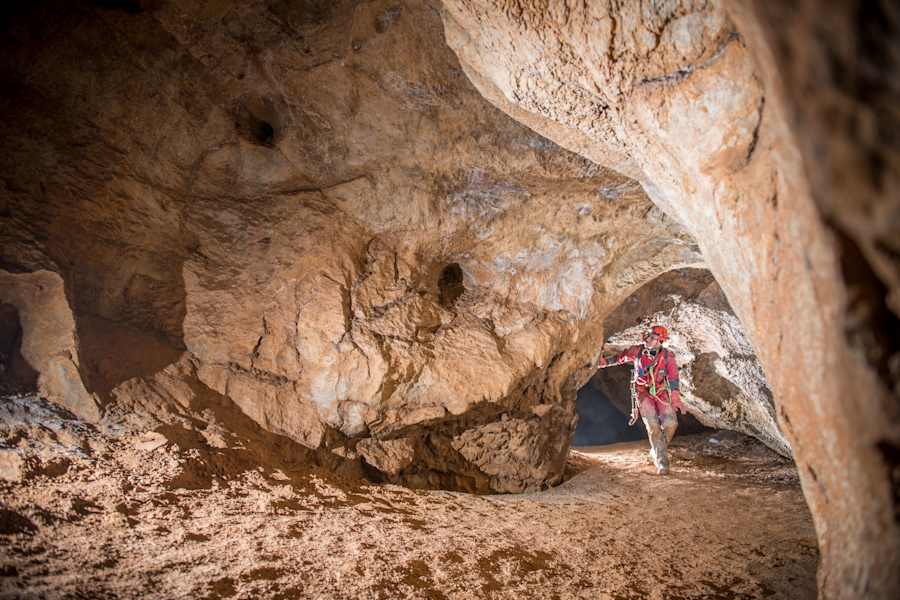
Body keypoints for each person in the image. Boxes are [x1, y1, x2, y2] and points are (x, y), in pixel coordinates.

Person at [597, 325, 686, 474]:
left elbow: (673, 377)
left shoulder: (667, 356)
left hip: (660, 392)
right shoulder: (637, 351)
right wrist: (604, 362)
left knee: (671, 424)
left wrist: (676, 398)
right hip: (643, 393)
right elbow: (620, 357)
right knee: (653, 426)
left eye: (652, 337)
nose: (647, 339)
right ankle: (662, 462)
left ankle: (656, 450)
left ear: (660, 341)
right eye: (648, 336)